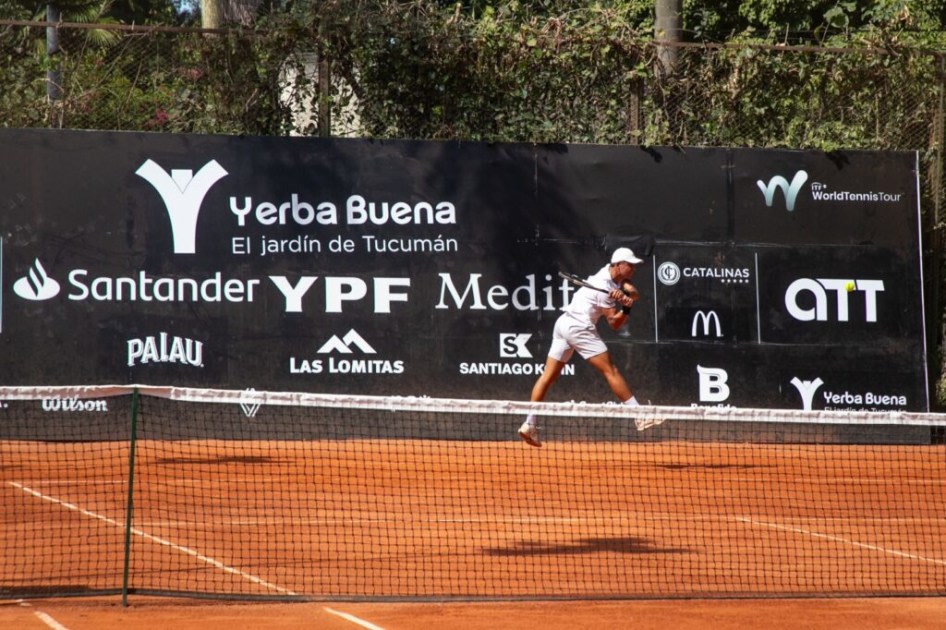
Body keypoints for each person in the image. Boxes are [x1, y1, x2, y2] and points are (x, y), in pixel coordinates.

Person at [518, 247, 645, 447]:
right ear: (618, 265)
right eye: (630, 265)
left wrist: (626, 294)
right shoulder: (604, 286)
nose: (633, 269)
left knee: (547, 376)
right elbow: (614, 323)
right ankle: (639, 415)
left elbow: (633, 292)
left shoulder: (609, 274)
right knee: (611, 370)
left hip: (563, 324)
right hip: (579, 327)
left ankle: (529, 423)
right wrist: (626, 307)